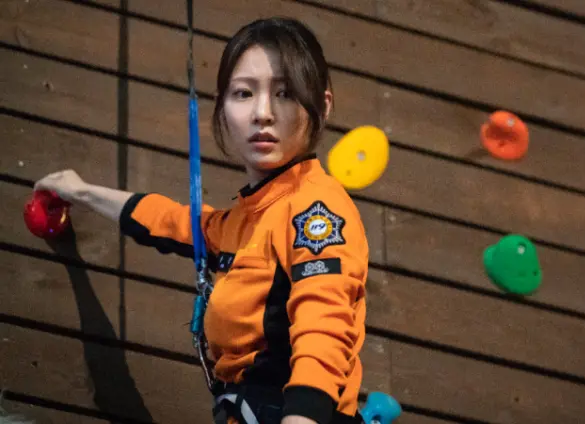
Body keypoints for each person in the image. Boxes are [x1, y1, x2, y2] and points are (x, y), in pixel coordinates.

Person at [33, 17, 368, 424]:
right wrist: (81, 191)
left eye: (284, 93)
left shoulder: (315, 208)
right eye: (243, 93)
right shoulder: (245, 219)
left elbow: (323, 329)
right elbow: (170, 222)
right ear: (222, 108)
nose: (262, 113)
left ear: (323, 106)